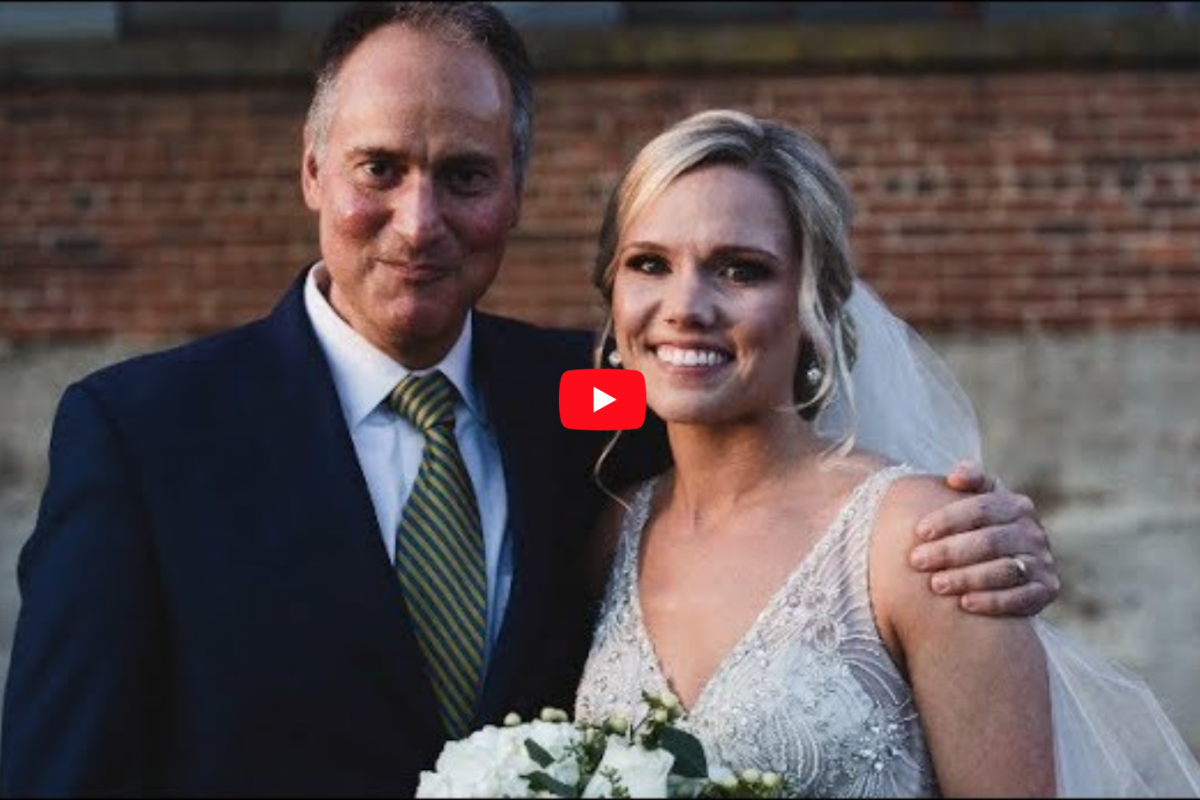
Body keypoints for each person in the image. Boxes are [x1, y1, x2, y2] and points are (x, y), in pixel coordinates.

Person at [0, 4, 1059, 797]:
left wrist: (983, 533)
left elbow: (743, 433)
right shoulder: (145, 434)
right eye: (381, 168)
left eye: (465, 175)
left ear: (514, 190)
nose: (419, 222)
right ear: (314, 170)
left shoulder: (582, 397)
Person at [574, 108, 1200, 796]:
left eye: (740, 270)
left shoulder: (929, 542)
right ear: (613, 294)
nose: (685, 305)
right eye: (649, 264)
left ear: (813, 304)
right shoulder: (610, 527)